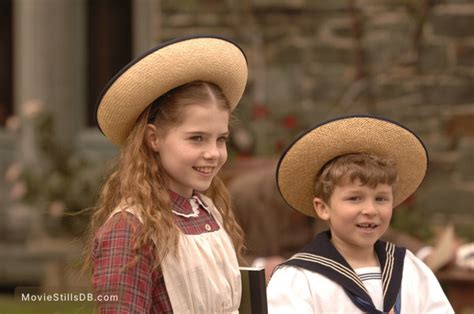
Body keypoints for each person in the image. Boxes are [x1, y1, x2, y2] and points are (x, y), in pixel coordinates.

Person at [83, 36, 248, 313]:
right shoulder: (131, 229)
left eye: (221, 139)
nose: (213, 153)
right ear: (154, 138)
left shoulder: (207, 212)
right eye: (197, 138)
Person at [267, 116, 454, 313]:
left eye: (381, 199)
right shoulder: (299, 279)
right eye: (355, 198)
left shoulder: (410, 268)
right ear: (323, 208)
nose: (370, 210)